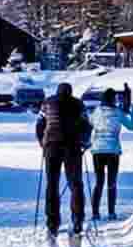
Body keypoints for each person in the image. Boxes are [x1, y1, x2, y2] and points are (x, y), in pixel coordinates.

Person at [34, 82, 91, 237]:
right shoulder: (78, 104)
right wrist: (85, 143)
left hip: (52, 146)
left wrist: (42, 143)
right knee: (76, 184)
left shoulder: (47, 103)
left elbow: (39, 124)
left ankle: (52, 223)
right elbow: (86, 125)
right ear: (70, 92)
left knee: (52, 184)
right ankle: (78, 219)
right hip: (72, 147)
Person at [88, 86, 133, 222]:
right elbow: (132, 127)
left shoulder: (96, 112)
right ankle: (111, 213)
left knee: (99, 182)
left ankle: (95, 213)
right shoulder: (118, 113)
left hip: (97, 150)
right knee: (112, 182)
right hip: (113, 150)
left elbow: (89, 125)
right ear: (113, 100)